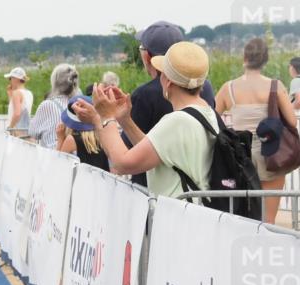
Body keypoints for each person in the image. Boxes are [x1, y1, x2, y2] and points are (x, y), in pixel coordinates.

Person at [72, 42, 217, 201]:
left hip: (177, 219)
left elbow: (122, 164)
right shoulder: (206, 113)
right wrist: (124, 119)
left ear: (167, 81)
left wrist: (105, 117)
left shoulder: (177, 122)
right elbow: (155, 150)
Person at [215, 38, 296, 223]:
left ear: (244, 57)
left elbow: (213, 117)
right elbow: (292, 121)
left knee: (241, 217)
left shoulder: (228, 88)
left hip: (240, 156)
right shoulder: (275, 86)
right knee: (268, 220)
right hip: (270, 156)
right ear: (265, 60)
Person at [128, 21, 216, 187]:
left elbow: (127, 154)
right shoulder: (203, 87)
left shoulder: (144, 95)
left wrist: (105, 121)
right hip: (199, 182)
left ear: (147, 56)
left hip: (157, 188)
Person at [29, 63, 80, 148]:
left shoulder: (47, 105)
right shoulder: (79, 104)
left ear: (54, 82)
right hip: (75, 156)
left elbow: (33, 132)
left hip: (53, 156)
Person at [55, 95, 109, 172]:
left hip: (81, 182)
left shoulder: (71, 140)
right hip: (101, 182)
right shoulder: (102, 136)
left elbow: (57, 164)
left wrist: (60, 139)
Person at [4, 67, 33, 133]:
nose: (10, 81)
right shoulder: (29, 93)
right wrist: (10, 96)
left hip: (17, 131)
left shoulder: (16, 93)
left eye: (10, 78)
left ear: (15, 79)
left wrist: (10, 128)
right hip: (26, 129)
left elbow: (17, 113)